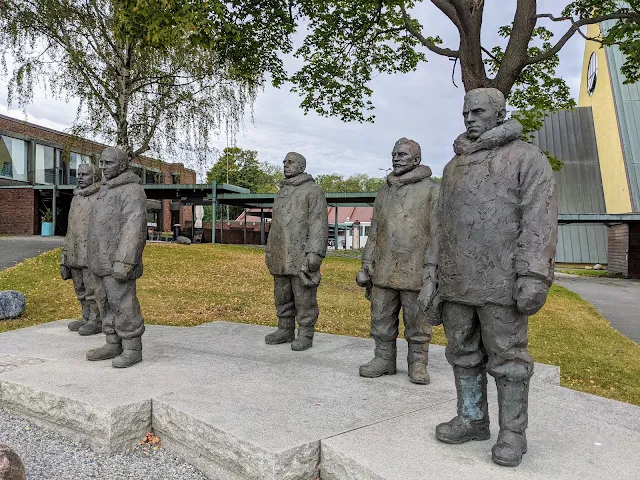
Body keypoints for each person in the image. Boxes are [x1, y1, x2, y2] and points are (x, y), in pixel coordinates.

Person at [424, 88, 558, 467]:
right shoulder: (453, 167)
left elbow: (539, 219)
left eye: (478, 111)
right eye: (466, 112)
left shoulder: (527, 158)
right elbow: (439, 225)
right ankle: (472, 417)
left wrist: (534, 274)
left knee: (509, 358)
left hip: (501, 280)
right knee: (462, 353)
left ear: (499, 114)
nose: (469, 118)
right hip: (455, 279)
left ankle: (513, 432)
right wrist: (431, 272)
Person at [356, 138, 439, 385]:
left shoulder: (432, 190)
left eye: (402, 154)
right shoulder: (385, 191)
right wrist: (366, 263)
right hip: (383, 267)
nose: (396, 158)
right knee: (381, 317)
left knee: (417, 320)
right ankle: (383, 359)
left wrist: (432, 270)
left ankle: (418, 363)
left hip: (416, 269)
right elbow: (376, 231)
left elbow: (438, 233)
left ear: (416, 159)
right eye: (394, 154)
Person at [86, 147, 147, 368]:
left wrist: (125, 261)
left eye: (108, 163)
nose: (103, 167)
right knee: (104, 302)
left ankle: (132, 346)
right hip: (99, 260)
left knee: (123, 302)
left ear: (122, 166)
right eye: (101, 163)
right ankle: (112, 341)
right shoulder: (104, 190)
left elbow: (134, 227)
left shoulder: (131, 190)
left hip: (118, 262)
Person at [264, 152, 328, 351]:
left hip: (301, 255)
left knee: (304, 297)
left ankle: (306, 333)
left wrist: (315, 253)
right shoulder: (281, 192)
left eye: (290, 162)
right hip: (280, 253)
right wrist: (269, 250)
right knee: (282, 295)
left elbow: (318, 224)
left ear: (301, 166)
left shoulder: (313, 190)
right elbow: (275, 225)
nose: (285, 165)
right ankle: (285, 328)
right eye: (284, 162)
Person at [60, 163, 102, 335]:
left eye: (85, 174)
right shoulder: (76, 198)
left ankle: (96, 320)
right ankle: (85, 317)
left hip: (90, 251)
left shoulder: (99, 197)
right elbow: (70, 228)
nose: (80, 177)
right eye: (79, 174)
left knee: (92, 289)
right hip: (74, 250)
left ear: (95, 177)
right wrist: (65, 254)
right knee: (79, 288)